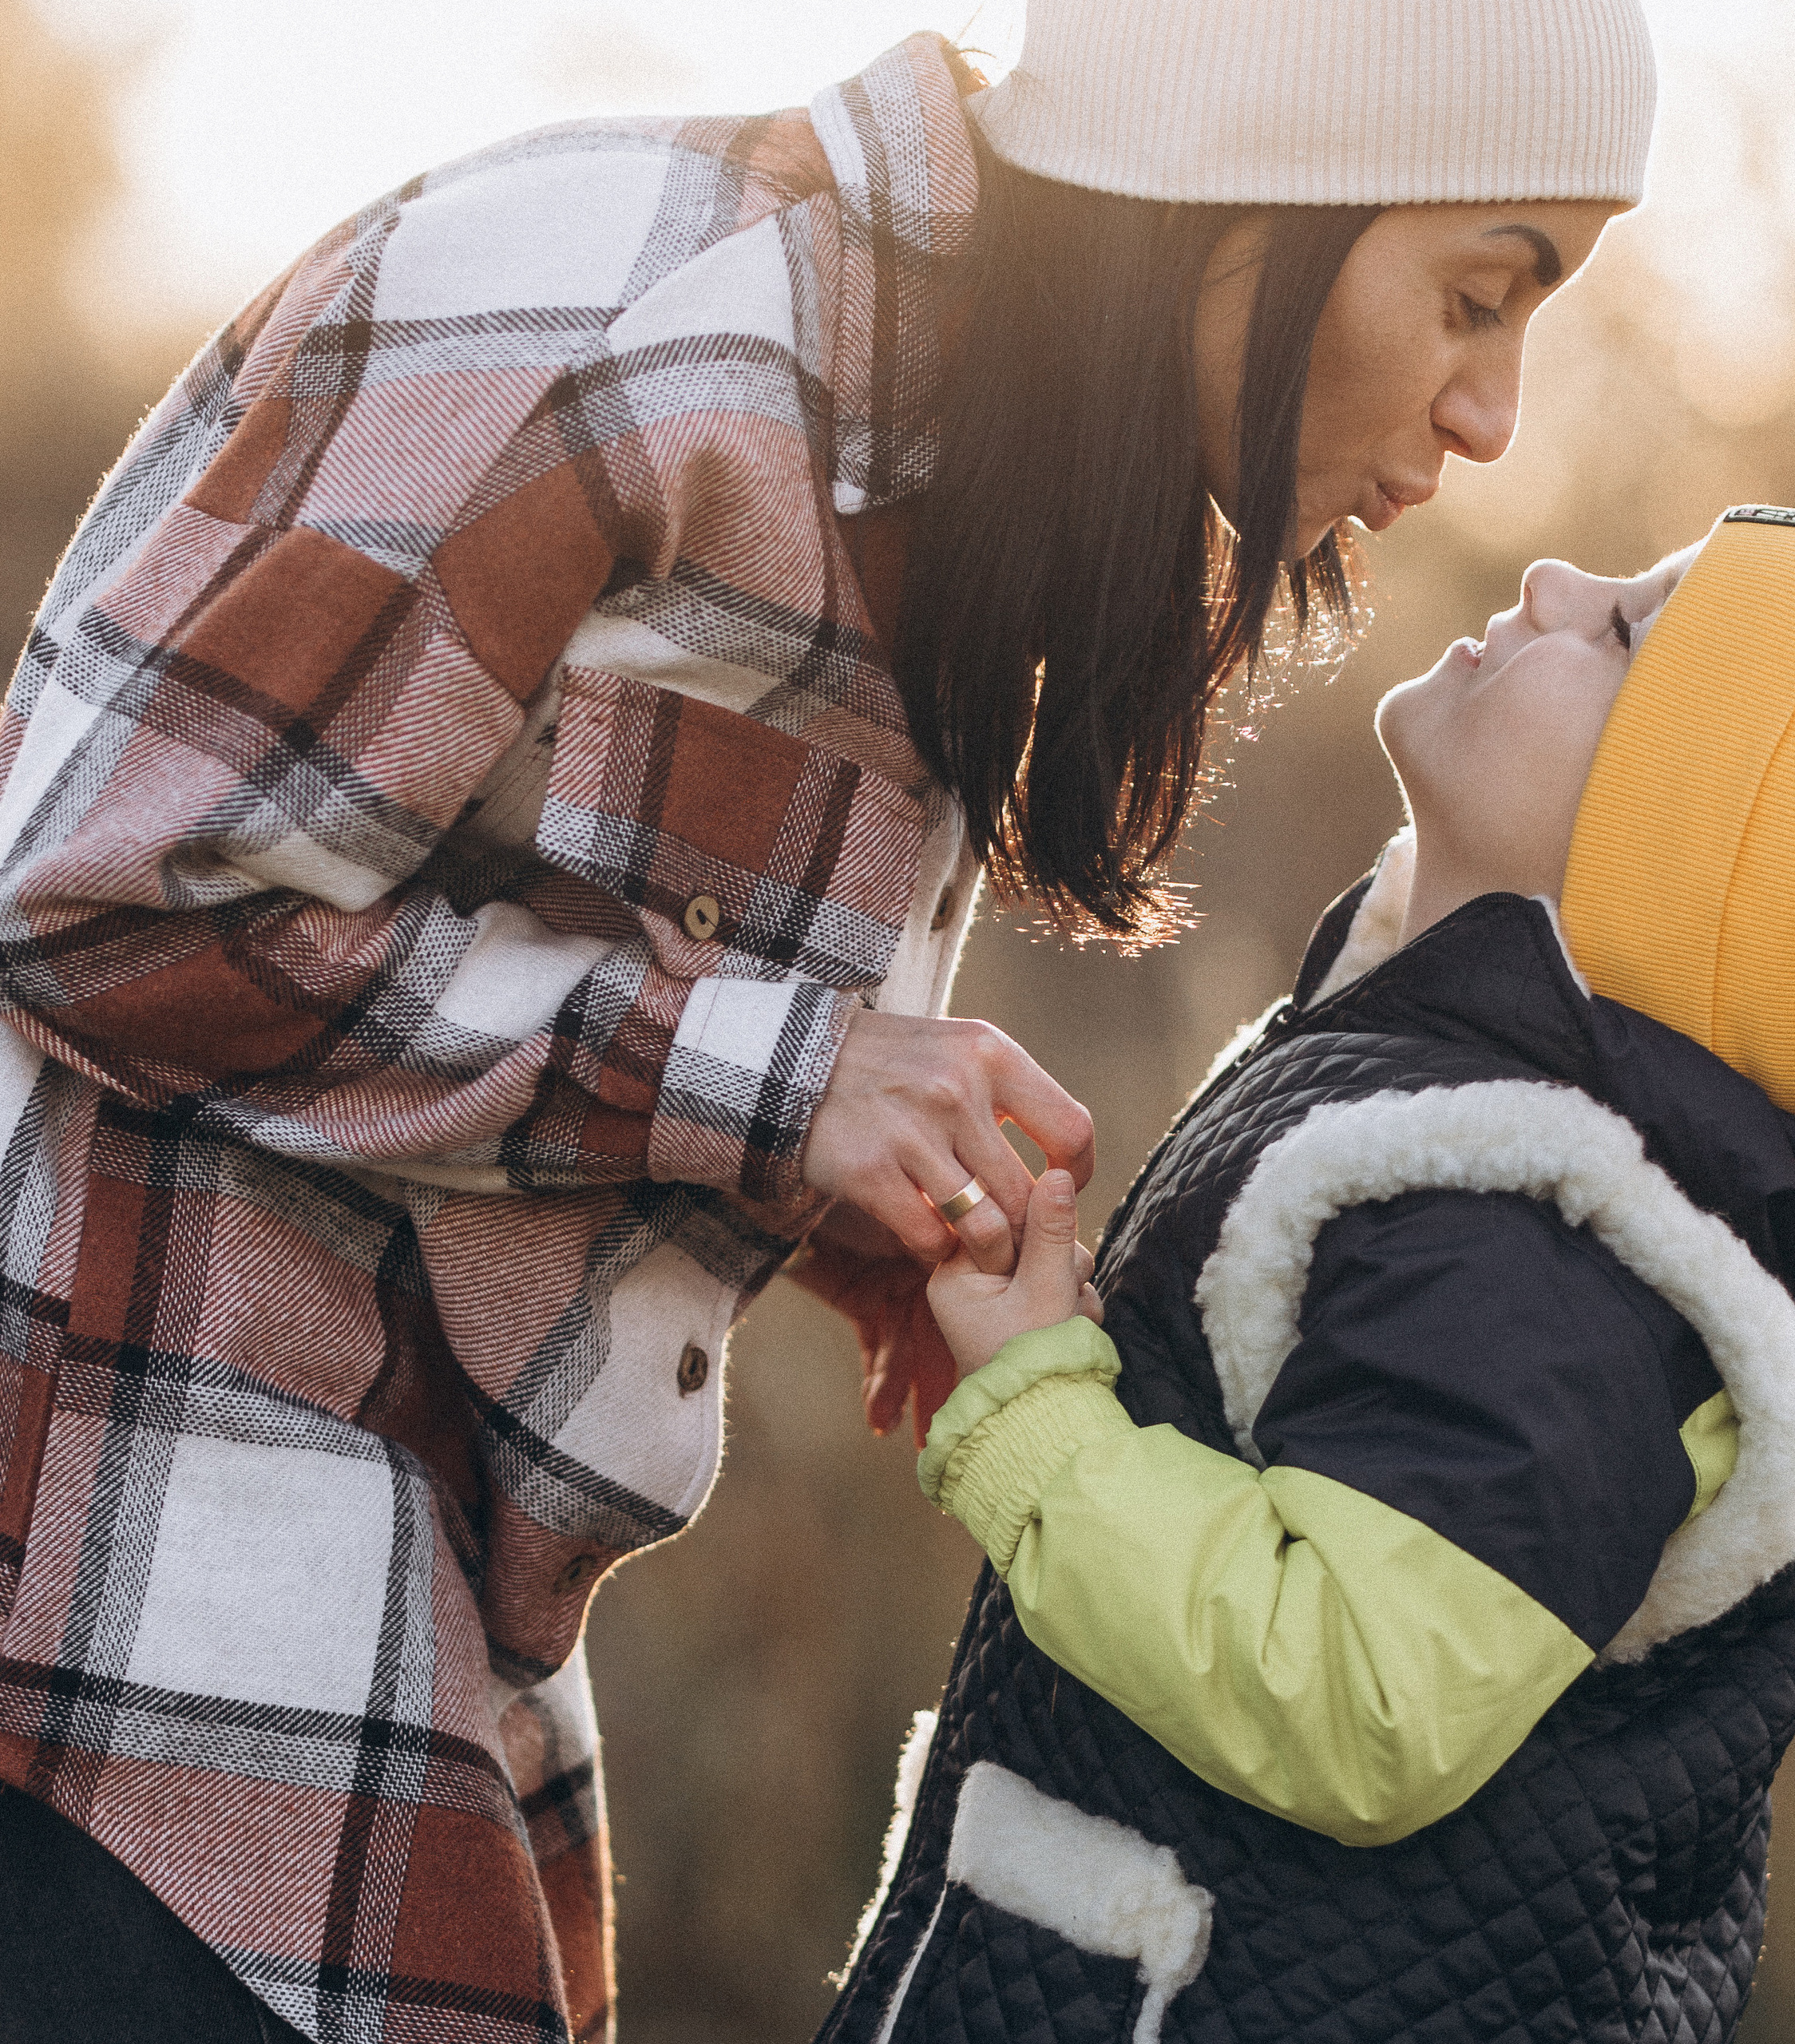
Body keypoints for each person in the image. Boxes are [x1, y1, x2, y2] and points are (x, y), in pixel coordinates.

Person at [0, 2, 1658, 2038]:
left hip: (391, 1585)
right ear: (1254, 180)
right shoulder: (635, 312)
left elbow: (479, 937)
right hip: (96, 1540)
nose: (1492, 411)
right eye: (1478, 294)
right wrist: (772, 1085)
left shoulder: (961, 462)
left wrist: (798, 1173)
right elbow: (94, 898)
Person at [826, 504, 1795, 2043]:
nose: (1552, 577)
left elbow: (1356, 1701)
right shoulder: (1442, 1133)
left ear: (1680, 867)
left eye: (1623, 631)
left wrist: (1034, 1421)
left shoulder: (1542, 1265)